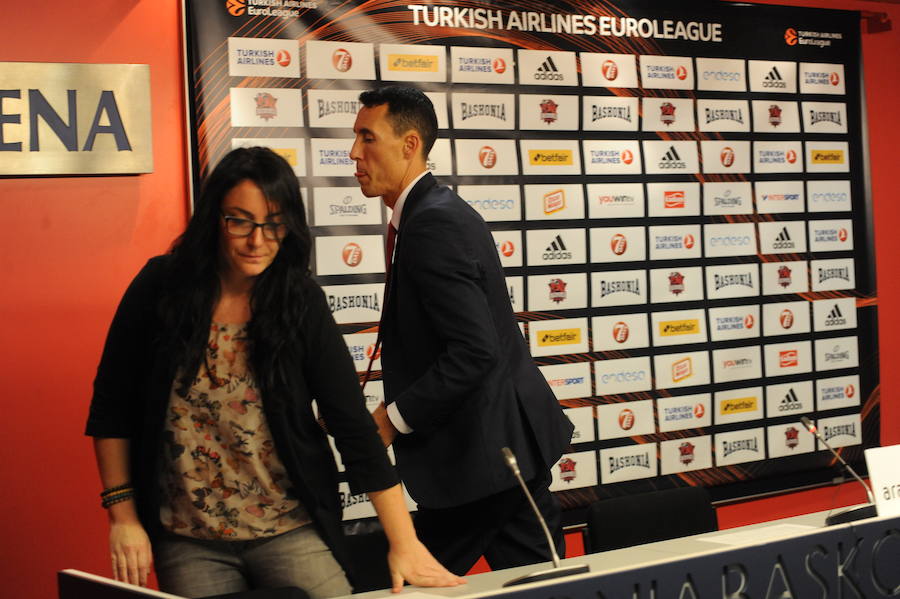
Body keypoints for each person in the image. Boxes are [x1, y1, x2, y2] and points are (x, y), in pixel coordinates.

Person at [85, 147, 463, 598]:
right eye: (240, 220)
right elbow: (112, 406)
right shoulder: (159, 287)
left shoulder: (299, 301)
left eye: (274, 223)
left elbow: (352, 426)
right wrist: (123, 517)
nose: (257, 240)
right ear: (213, 219)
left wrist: (405, 543)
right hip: (188, 540)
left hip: (289, 526)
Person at [349, 86, 575, 575]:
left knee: (405, 578)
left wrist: (392, 419)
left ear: (410, 144)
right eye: (355, 138)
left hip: (482, 461)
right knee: (544, 579)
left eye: (368, 138)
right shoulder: (431, 213)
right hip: (494, 455)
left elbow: (474, 351)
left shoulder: (432, 224)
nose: (354, 153)